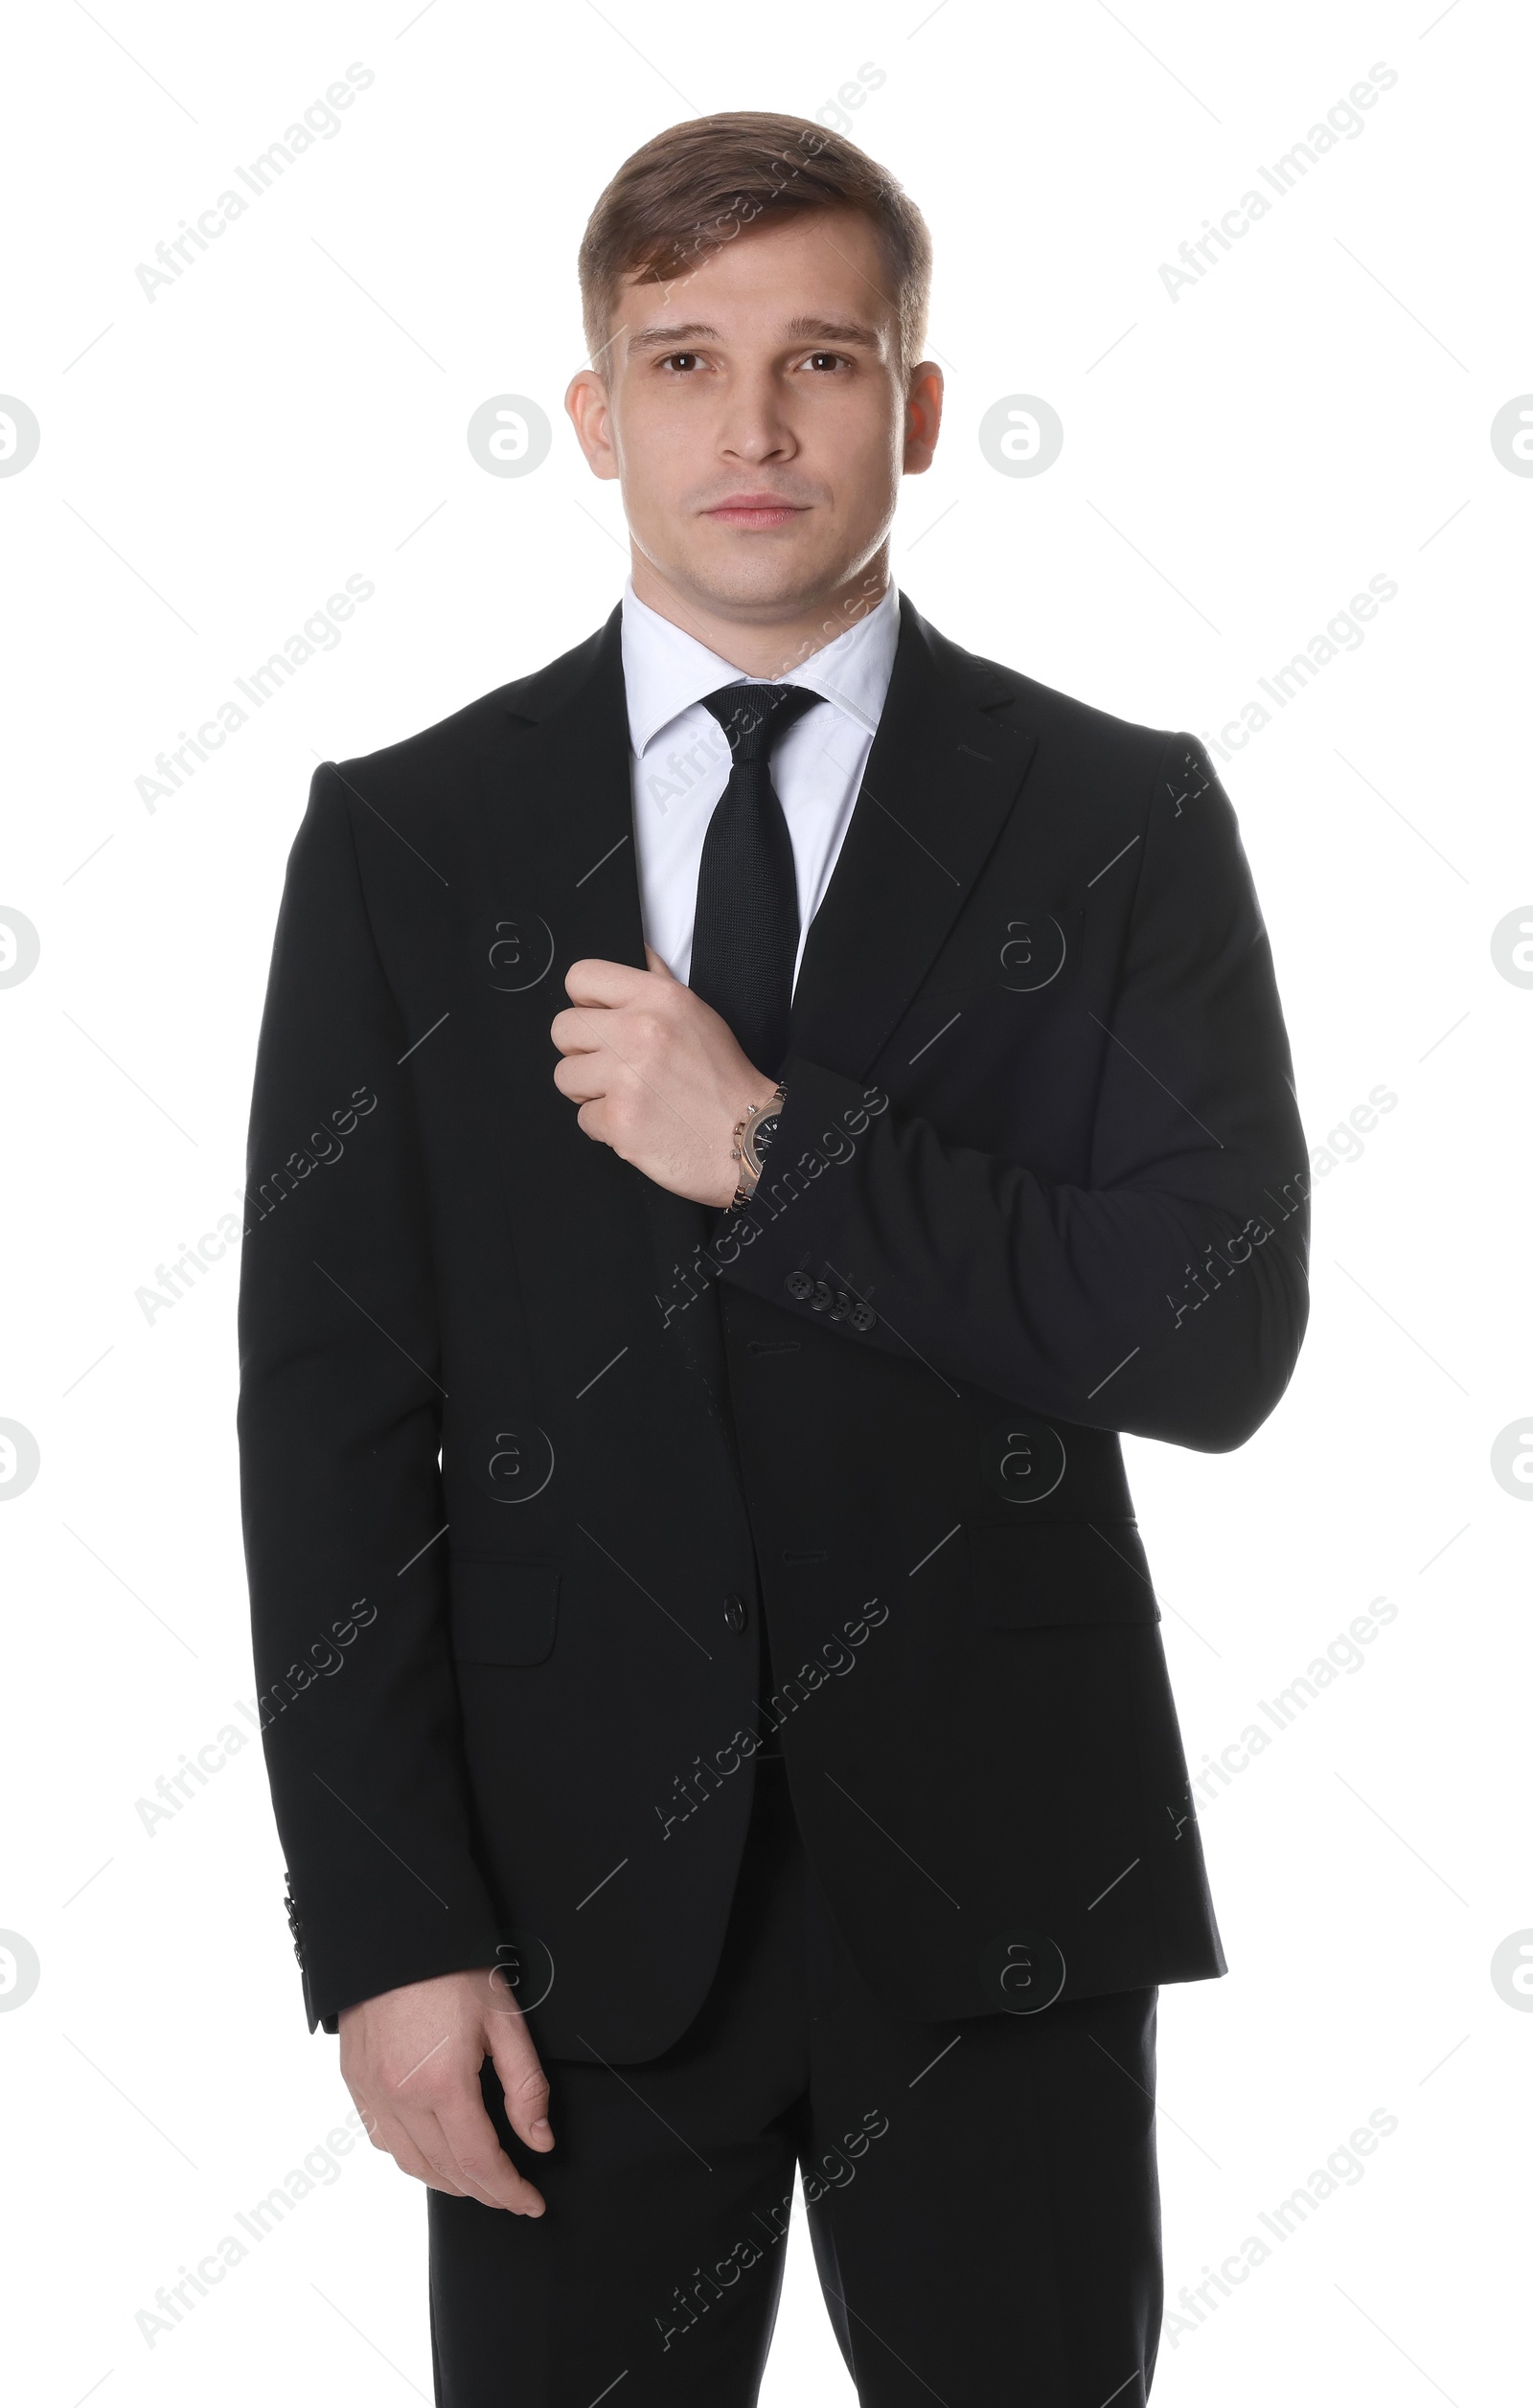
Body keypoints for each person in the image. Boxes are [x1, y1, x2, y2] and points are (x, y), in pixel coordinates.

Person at [238, 109, 1309, 2407]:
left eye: (820, 360)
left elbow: (1214, 1332)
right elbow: (328, 1427)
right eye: (685, 359)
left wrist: (772, 1152)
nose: (750, 425)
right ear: (593, 411)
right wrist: (385, 1939)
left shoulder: (1115, 821)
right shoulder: (406, 843)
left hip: (1000, 1901)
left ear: (913, 409)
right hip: (554, 1938)